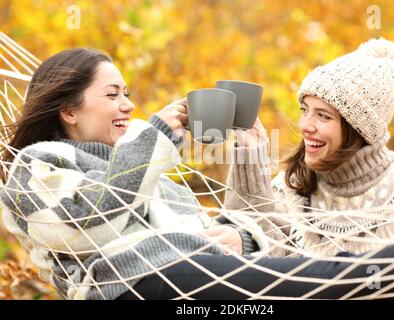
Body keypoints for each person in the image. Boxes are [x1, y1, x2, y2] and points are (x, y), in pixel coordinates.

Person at [0, 48, 270, 300]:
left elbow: (205, 234)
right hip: (132, 285)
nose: (128, 105)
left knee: (299, 278)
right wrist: (153, 139)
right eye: (112, 94)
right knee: (309, 281)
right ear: (70, 111)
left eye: (126, 94)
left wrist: (241, 239)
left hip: (196, 279)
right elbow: (86, 226)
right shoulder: (35, 166)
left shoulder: (154, 178)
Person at [224, 38, 394, 257]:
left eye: (323, 116)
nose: (305, 126)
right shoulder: (291, 187)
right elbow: (253, 254)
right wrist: (248, 156)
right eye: (304, 110)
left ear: (358, 130)